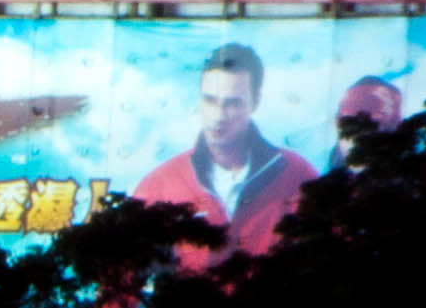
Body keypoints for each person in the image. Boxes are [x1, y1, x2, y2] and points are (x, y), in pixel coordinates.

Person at [123, 43, 311, 251]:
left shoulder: (299, 176)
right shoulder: (159, 186)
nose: (218, 116)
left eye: (232, 103)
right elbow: (129, 271)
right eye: (210, 101)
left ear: (255, 102)